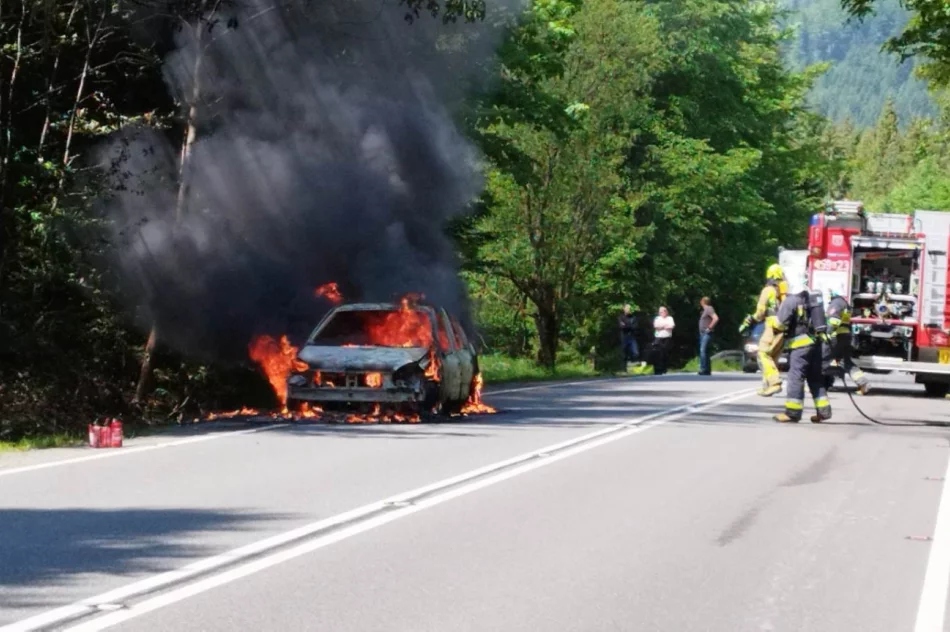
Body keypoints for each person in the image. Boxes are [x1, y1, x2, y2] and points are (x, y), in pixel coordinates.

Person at [772, 281, 832, 424]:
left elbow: (779, 324)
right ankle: (824, 411)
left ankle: (792, 413)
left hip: (800, 347)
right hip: (816, 344)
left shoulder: (790, 300)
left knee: (795, 377)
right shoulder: (810, 300)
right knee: (815, 378)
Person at [739, 263, 787, 397]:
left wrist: (751, 319)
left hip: (772, 326)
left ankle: (774, 383)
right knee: (771, 358)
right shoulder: (782, 292)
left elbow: (760, 312)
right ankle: (766, 386)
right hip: (784, 328)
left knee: (762, 353)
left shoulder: (768, 290)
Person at [822, 289, 871, 395]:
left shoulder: (836, 303)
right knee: (846, 363)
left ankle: (816, 385)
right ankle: (863, 383)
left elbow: (833, 321)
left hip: (836, 337)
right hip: (845, 337)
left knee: (820, 359)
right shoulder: (844, 303)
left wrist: (826, 335)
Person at [698, 297, 718, 376]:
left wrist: (709, 328)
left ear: (703, 302)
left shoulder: (709, 308)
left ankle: (703, 368)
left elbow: (716, 318)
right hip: (703, 333)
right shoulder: (705, 310)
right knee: (706, 351)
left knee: (702, 350)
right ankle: (707, 369)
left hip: (707, 333)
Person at [652, 306, 675, 375]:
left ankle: (664, 369)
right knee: (658, 354)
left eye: (664, 311)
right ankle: (658, 369)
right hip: (659, 338)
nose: (662, 313)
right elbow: (656, 326)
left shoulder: (670, 318)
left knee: (665, 353)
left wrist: (662, 326)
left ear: (666, 311)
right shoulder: (657, 318)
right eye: (661, 312)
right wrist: (665, 326)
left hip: (667, 338)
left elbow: (672, 326)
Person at [618, 304, 641, 371]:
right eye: (627, 308)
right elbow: (621, 327)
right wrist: (630, 326)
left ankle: (633, 365)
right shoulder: (621, 317)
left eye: (629, 308)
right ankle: (624, 369)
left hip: (632, 336)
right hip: (624, 336)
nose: (628, 310)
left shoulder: (633, 317)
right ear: (624, 309)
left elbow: (635, 327)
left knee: (635, 352)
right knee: (624, 353)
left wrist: (626, 325)